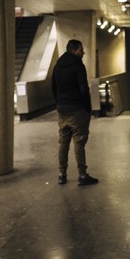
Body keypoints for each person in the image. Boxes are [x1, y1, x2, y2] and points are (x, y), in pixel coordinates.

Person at [52, 39, 98, 186]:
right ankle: (82, 175)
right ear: (74, 50)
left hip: (62, 109)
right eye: (81, 49)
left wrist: (59, 102)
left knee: (63, 142)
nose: (83, 52)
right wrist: (87, 107)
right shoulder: (78, 66)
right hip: (76, 109)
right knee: (79, 141)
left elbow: (53, 86)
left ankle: (61, 174)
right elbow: (84, 89)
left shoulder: (58, 65)